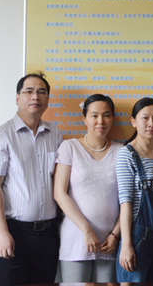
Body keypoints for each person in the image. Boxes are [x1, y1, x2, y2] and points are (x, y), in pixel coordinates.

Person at [0, 72, 63, 286]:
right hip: (12, 232)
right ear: (17, 98)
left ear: (48, 99)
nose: (35, 97)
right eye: (29, 91)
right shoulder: (0, 136)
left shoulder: (55, 134)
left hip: (48, 235)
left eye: (41, 92)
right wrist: (2, 232)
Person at [53, 94, 123, 282]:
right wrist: (86, 230)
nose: (100, 121)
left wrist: (116, 234)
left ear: (113, 119)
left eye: (106, 115)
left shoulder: (121, 151)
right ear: (84, 118)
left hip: (109, 242)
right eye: (94, 115)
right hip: (76, 239)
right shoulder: (69, 147)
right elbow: (59, 193)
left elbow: (127, 200)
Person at [116, 97, 153, 282]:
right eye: (145, 118)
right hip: (138, 238)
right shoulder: (127, 154)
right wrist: (126, 245)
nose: (151, 123)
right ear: (133, 121)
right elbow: (125, 202)